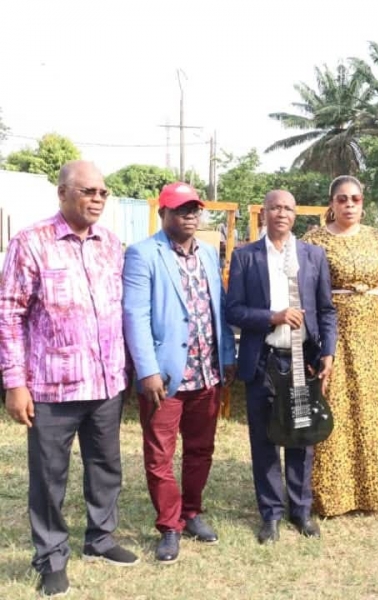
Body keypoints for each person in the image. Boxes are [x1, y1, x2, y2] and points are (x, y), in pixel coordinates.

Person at [0, 161, 138, 597]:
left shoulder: (112, 245)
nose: (97, 199)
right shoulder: (30, 242)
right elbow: (9, 315)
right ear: (63, 194)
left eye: (103, 192)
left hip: (105, 383)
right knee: (49, 476)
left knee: (106, 467)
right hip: (51, 387)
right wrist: (14, 382)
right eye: (88, 191)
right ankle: (51, 556)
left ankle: (100, 539)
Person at [123, 182, 237, 562]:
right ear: (163, 213)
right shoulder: (143, 254)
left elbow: (216, 307)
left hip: (207, 372)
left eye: (195, 209)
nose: (190, 215)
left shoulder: (207, 252)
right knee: (160, 455)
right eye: (181, 209)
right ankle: (169, 525)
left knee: (201, 449)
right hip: (165, 378)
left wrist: (228, 355)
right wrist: (148, 370)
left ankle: (191, 513)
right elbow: (135, 316)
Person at [226, 190, 337, 542]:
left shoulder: (313, 255)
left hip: (303, 361)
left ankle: (301, 510)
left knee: (301, 437)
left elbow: (326, 309)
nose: (282, 213)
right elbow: (234, 311)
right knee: (265, 437)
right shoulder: (246, 257)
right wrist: (272, 317)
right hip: (264, 360)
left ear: (295, 214)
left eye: (289, 208)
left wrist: (328, 352)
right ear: (264, 213)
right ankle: (270, 513)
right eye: (275, 207)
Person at [303, 176, 378, 516]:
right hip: (334, 332)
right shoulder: (314, 241)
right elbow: (305, 291)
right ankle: (332, 494)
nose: (348, 205)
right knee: (336, 404)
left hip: (371, 334)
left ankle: (371, 491)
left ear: (363, 202)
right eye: (341, 199)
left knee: (368, 407)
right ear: (331, 203)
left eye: (355, 199)